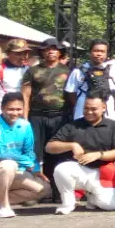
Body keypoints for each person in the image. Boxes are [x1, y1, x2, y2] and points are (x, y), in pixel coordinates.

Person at [0, 91, 52, 213]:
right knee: (8, 164)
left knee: (45, 189)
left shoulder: (25, 125)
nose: (15, 113)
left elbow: (29, 151)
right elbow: (1, 154)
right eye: (11, 109)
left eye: (18, 109)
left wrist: (36, 169)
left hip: (16, 172)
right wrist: (28, 162)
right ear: (2, 108)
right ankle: (3, 207)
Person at [47, 92, 115, 212]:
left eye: (93, 109)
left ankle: (92, 198)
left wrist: (99, 155)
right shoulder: (73, 125)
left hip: (103, 173)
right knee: (61, 169)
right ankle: (68, 203)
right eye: (86, 108)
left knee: (110, 206)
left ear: (104, 108)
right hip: (80, 170)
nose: (89, 112)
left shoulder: (113, 126)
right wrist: (71, 145)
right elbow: (49, 147)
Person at [20, 37, 70, 170]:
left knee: (57, 152)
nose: (50, 51)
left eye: (54, 49)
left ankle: (53, 180)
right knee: (34, 152)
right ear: (42, 52)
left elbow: (73, 95)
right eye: (47, 49)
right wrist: (25, 118)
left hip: (60, 116)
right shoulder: (32, 70)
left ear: (60, 52)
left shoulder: (68, 71)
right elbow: (25, 95)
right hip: (37, 116)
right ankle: (34, 179)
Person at [66, 39, 115, 123]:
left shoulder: (113, 71)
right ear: (90, 52)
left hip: (108, 115)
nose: (99, 54)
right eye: (96, 51)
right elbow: (71, 93)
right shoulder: (78, 71)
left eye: (102, 51)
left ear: (106, 54)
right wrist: (82, 103)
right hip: (83, 115)